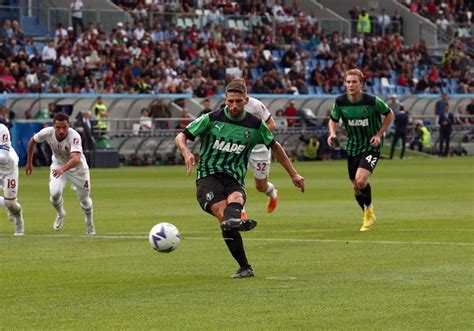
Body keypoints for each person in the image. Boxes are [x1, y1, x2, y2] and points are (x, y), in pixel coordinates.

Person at [175, 80, 305, 279]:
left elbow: (276, 147)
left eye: (238, 101)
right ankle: (244, 264)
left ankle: (239, 239)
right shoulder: (211, 118)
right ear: (225, 100)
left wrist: (293, 173)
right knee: (222, 213)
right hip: (208, 175)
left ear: (246, 101)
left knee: (235, 201)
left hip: (234, 176)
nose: (233, 106)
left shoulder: (255, 125)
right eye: (230, 101)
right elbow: (181, 136)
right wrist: (186, 152)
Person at [327, 69, 394, 232]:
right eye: (348, 82)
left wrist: (379, 134)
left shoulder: (372, 101)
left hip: (371, 145)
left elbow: (389, 114)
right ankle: (367, 213)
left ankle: (369, 210)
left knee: (361, 180)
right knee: (356, 187)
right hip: (353, 146)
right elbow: (332, 119)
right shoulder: (340, 101)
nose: (350, 85)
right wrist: (332, 133)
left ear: (361, 84)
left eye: (354, 82)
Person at [25, 112, 95, 235]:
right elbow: (32, 141)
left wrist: (63, 169)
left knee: (84, 199)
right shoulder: (47, 132)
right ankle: (61, 213)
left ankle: (89, 224)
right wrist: (29, 162)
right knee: (55, 194)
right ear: (53, 126)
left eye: (64, 127)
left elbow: (76, 159)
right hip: (58, 165)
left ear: (68, 126)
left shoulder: (74, 136)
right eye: (58, 127)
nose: (61, 130)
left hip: (78, 169)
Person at [0, 123, 24, 235]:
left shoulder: (2, 129)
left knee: (11, 204)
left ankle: (19, 219)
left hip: (8, 168)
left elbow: (4, 158)